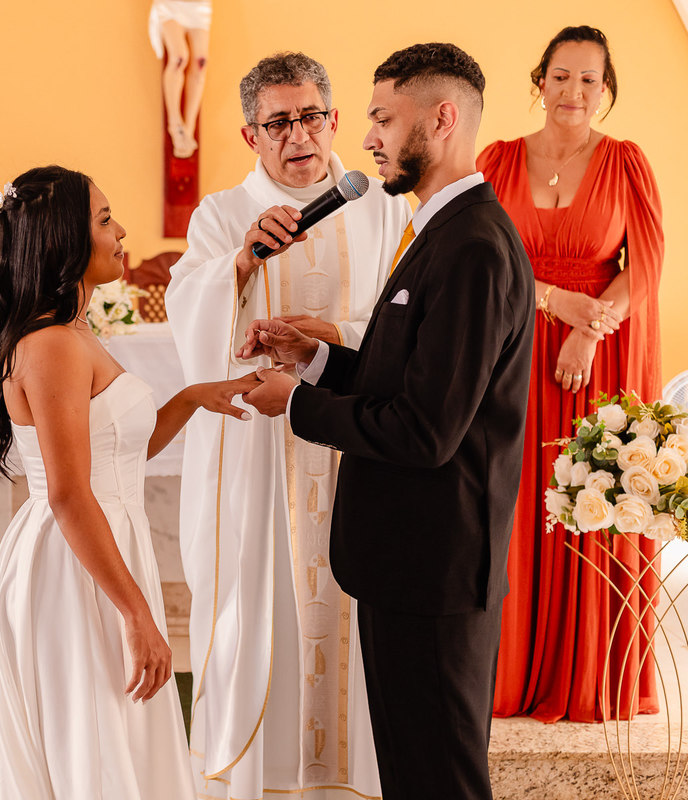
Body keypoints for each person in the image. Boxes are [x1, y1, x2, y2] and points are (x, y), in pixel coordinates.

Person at [238, 43, 534, 799]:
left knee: (440, 780)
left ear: (440, 119)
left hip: (433, 566)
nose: (366, 138)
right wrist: (314, 360)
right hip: (408, 561)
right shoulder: (438, 230)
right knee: (414, 775)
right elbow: (406, 382)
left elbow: (425, 431)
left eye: (381, 119)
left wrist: (296, 405)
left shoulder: (471, 245)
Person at [0, 165, 257, 799]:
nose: (122, 232)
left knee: (117, 737)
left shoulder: (73, 332)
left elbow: (117, 456)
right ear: (63, 239)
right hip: (74, 563)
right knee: (92, 739)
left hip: (102, 543)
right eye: (104, 220)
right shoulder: (52, 346)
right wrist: (137, 614)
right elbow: (70, 492)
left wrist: (191, 399)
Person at [164, 51, 410, 799]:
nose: (298, 136)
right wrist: (239, 263)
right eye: (278, 123)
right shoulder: (219, 215)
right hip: (257, 458)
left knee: (357, 600)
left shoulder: (385, 207)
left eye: (311, 117)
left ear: (334, 121)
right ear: (251, 136)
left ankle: (357, 774)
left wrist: (329, 332)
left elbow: (408, 330)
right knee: (259, 598)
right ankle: (258, 776)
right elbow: (189, 321)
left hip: (352, 442)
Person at [479, 26, 664, 723]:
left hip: (602, 360)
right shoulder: (495, 162)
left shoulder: (626, 163)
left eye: (589, 79)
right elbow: (481, 262)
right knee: (515, 501)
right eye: (561, 76)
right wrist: (553, 303)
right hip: (510, 350)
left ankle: (590, 676)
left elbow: (642, 267)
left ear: (605, 89)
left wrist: (587, 330)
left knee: (590, 502)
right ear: (539, 81)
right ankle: (510, 673)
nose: (574, 91)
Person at [149, 0, 212, 157]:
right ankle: (175, 124)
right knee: (179, 57)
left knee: (200, 62)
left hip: (199, 6)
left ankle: (188, 129)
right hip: (171, 5)